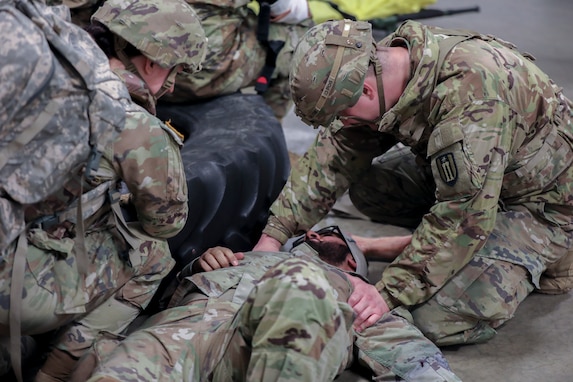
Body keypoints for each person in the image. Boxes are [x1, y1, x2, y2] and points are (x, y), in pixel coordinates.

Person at [254, 19, 573, 346]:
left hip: (544, 206)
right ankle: (433, 249)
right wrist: (274, 235)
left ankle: (549, 256)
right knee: (372, 189)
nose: (342, 122)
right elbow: (336, 152)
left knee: (431, 316)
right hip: (488, 176)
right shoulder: (383, 63)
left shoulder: (475, 95)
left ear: (365, 90)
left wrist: (388, 292)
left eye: (342, 113)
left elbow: (462, 215)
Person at [0, 0, 207, 381]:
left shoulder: (33, 67)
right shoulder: (134, 123)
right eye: (174, 70)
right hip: (10, 289)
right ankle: (56, 373)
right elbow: (166, 223)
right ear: (152, 63)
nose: (172, 84)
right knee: (151, 254)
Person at [69, 225, 461, 381]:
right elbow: (161, 298)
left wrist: (369, 252)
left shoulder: (357, 293)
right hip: (190, 333)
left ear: (355, 267)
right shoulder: (243, 256)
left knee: (302, 284)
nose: (329, 234)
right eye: (321, 230)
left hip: (270, 358)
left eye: (349, 244)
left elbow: (414, 361)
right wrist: (201, 261)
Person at [160, 0, 313, 119]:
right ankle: (266, 132)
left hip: (146, 55)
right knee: (309, 43)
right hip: (200, 70)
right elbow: (286, 9)